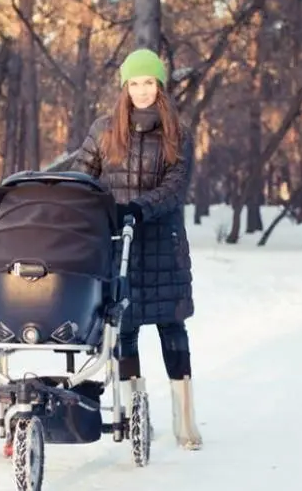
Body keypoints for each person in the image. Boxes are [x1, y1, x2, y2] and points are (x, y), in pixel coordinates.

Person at [70, 48, 202, 450]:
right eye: (135, 83)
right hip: (118, 246)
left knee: (171, 327)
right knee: (124, 328)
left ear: (159, 86)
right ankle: (133, 412)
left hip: (162, 246)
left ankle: (186, 422)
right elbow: (82, 175)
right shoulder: (105, 129)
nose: (142, 91)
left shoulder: (177, 132)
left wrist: (137, 210)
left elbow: (174, 190)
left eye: (149, 82)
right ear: (124, 87)